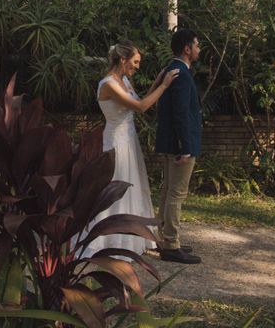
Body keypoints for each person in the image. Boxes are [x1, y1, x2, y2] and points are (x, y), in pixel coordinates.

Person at [82, 40, 179, 258]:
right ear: (123, 59)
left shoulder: (124, 80)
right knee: (115, 188)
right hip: (116, 141)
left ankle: (132, 235)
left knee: (134, 186)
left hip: (129, 140)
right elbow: (141, 107)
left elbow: (140, 100)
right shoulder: (109, 85)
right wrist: (164, 86)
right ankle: (109, 238)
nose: (137, 66)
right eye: (135, 62)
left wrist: (156, 82)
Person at [155, 29, 202, 264]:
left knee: (168, 190)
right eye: (197, 45)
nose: (198, 49)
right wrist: (185, 146)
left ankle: (164, 239)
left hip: (169, 142)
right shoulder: (181, 74)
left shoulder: (170, 70)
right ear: (187, 48)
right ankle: (171, 243)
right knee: (176, 193)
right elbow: (181, 113)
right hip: (180, 144)